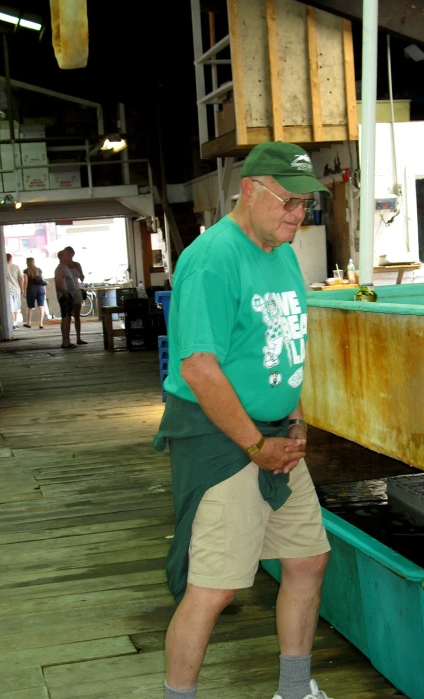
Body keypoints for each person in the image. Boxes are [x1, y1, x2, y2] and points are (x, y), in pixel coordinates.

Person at [154, 142, 333, 699]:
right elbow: (199, 367)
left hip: (278, 436)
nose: (297, 216)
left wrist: (297, 424)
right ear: (251, 189)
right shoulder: (211, 258)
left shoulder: (281, 251)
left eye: (305, 205)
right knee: (215, 589)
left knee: (307, 559)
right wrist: (258, 445)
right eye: (289, 202)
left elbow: (283, 348)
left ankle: (295, 690)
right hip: (224, 439)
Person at [65, 246, 88, 345]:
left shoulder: (77, 264)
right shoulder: (63, 265)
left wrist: (81, 274)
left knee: (77, 316)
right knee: (68, 316)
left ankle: (78, 337)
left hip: (76, 289)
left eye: (71, 254)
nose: (70, 256)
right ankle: (67, 339)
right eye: (68, 254)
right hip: (67, 291)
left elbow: (82, 277)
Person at [54, 250, 76, 349]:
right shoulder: (60, 268)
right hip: (65, 296)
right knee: (66, 317)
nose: (70, 256)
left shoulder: (65, 267)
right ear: (62, 257)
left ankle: (66, 340)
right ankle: (66, 341)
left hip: (68, 295)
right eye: (67, 255)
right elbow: (58, 282)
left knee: (67, 317)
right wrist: (65, 293)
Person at [23, 258, 47, 329]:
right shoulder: (39, 270)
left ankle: (29, 323)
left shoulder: (26, 271)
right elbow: (42, 280)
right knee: (41, 306)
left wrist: (24, 291)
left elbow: (26, 282)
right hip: (40, 288)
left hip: (31, 289)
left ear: (27, 262)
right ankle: (41, 324)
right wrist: (44, 290)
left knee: (30, 307)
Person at [6, 254, 24, 330]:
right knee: (16, 308)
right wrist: (22, 289)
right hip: (16, 289)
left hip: (7, 290)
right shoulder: (16, 267)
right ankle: (15, 323)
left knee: (11, 308)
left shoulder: (3, 267)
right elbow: (21, 278)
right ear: (11, 258)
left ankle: (13, 323)